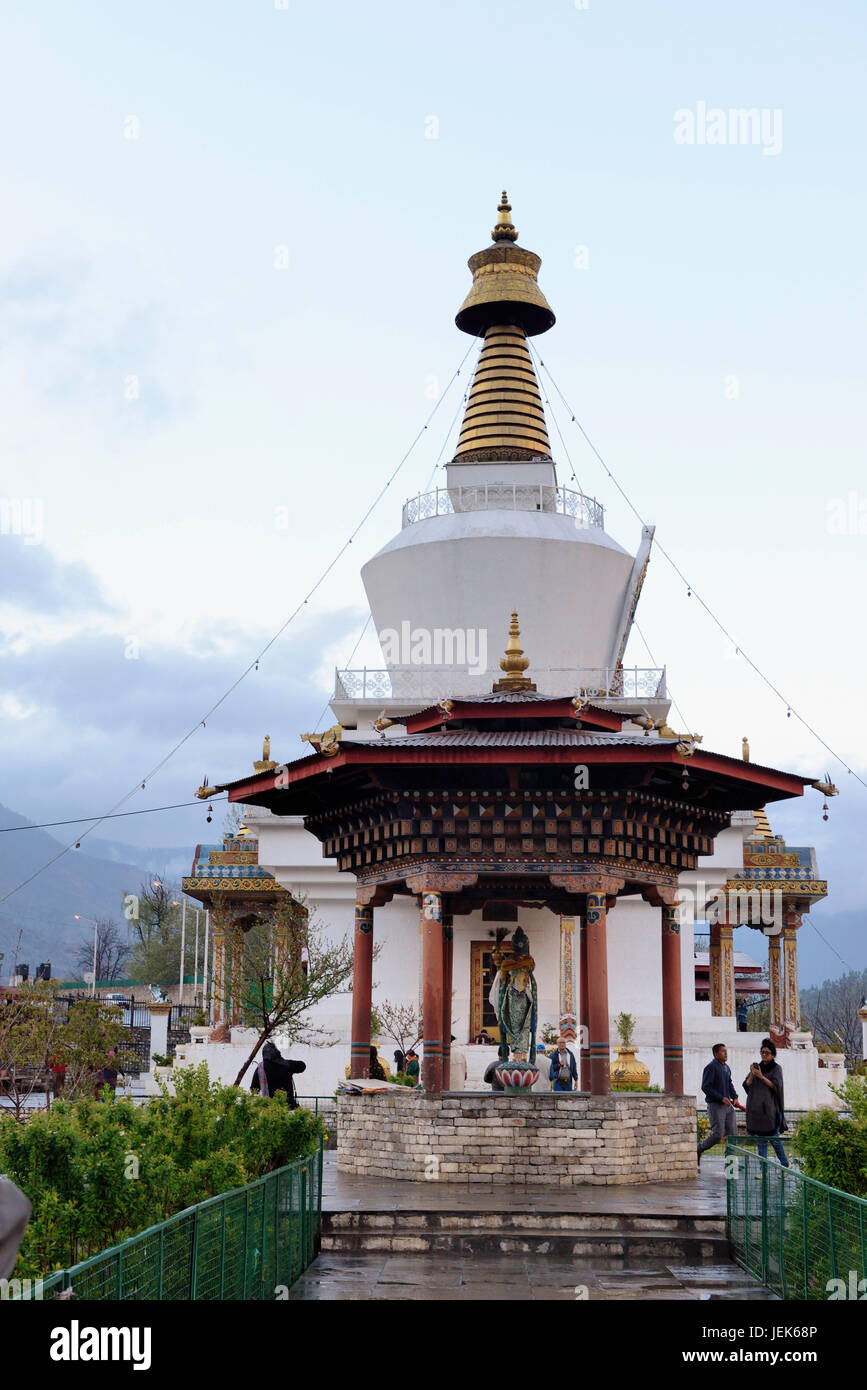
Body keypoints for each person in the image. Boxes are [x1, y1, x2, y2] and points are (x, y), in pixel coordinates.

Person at [743, 1039, 789, 1166]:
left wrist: (762, 1077)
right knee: (761, 1141)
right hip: (757, 1112)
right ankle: (763, 1170)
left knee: (774, 1140)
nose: (764, 1055)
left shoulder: (776, 1068)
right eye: (762, 1052)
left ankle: (785, 1164)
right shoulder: (758, 1066)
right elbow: (746, 1084)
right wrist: (753, 1074)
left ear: (773, 1055)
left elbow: (776, 1086)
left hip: (770, 1111)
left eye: (767, 1053)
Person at [697, 1042, 743, 1162]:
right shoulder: (711, 1067)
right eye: (723, 1051)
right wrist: (721, 1098)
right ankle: (699, 1148)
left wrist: (735, 1096)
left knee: (733, 1134)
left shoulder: (726, 1068)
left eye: (726, 1051)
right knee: (718, 1134)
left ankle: (731, 1162)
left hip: (728, 1107)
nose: (726, 1053)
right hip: (716, 1105)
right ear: (715, 1053)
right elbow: (705, 1087)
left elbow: (729, 1084)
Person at [250, 1041, 306, 1109]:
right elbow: (302, 1066)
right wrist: (284, 1062)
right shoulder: (287, 1065)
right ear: (277, 1053)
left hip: (269, 1108)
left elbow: (254, 1089)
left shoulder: (260, 1069)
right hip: (288, 1106)